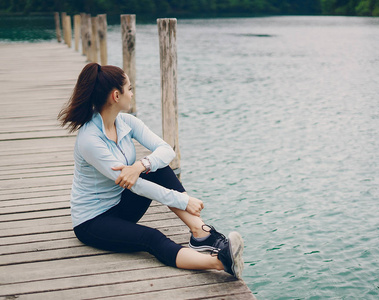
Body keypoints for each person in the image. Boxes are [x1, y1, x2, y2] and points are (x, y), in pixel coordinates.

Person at [58, 62, 244, 279]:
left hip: (120, 205)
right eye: (129, 88)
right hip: (93, 222)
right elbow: (135, 185)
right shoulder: (90, 140)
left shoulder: (126, 122)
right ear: (116, 96)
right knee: (151, 237)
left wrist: (140, 165)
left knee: (157, 168)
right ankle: (221, 263)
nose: (132, 93)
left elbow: (166, 150)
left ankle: (201, 234)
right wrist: (183, 200)